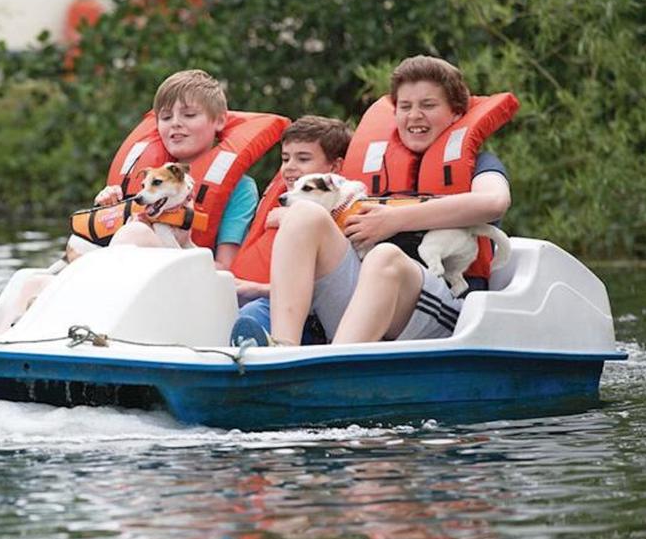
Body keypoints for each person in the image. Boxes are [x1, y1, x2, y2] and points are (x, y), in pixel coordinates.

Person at [232, 55, 512, 347]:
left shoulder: (479, 164)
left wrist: (393, 220)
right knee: (304, 214)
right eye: (405, 106)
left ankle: (336, 368)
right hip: (362, 302)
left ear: (455, 114)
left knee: (384, 256)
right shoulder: (367, 170)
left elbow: (494, 202)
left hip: (438, 309)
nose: (415, 115)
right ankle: (283, 348)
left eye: (428, 105)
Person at [93, 68, 258, 269]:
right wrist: (107, 208)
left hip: (189, 281)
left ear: (220, 121)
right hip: (133, 269)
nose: (176, 123)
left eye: (189, 115)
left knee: (136, 233)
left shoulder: (241, 189)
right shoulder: (147, 176)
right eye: (166, 117)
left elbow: (225, 266)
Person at [228, 115, 353, 344]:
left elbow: (326, 291)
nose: (289, 168)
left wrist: (259, 289)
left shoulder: (344, 212)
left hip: (318, 322)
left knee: (254, 312)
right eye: (285, 159)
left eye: (303, 159)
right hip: (268, 304)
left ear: (335, 167)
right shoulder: (281, 203)